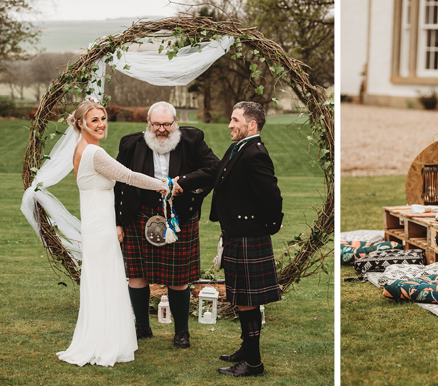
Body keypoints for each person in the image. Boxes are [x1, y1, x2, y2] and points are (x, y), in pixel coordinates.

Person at [57, 98, 169, 367]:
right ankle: (105, 343)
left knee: (102, 281)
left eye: (103, 118)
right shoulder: (94, 153)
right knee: (106, 281)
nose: (101, 124)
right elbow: (128, 176)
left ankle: (103, 337)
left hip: (96, 223)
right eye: (94, 120)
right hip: (100, 226)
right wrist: (162, 185)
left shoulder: (82, 148)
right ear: (81, 123)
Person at [115, 101, 219, 348]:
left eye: (167, 124)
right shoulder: (130, 144)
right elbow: (118, 184)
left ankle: (181, 332)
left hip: (178, 218)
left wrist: (184, 181)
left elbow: (214, 168)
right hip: (139, 216)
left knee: (178, 277)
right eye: (156, 124)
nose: (161, 129)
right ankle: (142, 327)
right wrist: (118, 222)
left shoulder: (193, 140)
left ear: (176, 123)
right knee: (137, 274)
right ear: (148, 124)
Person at [210, 101, 283, 377]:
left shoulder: (255, 154)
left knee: (247, 300)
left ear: (251, 125)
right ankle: (247, 349)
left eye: (235, 120)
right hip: (237, 235)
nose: (230, 124)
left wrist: (266, 227)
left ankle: (253, 363)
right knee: (241, 297)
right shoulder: (238, 148)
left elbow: (272, 197)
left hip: (248, 236)